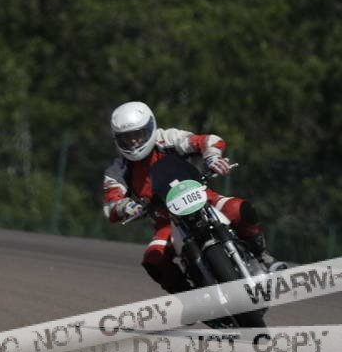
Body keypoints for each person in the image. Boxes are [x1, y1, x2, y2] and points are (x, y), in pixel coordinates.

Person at [102, 101, 276, 297]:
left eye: (138, 134)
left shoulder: (167, 138)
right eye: (126, 137)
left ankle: (262, 256)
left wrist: (212, 157)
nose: (133, 141)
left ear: (150, 128)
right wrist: (124, 207)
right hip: (166, 221)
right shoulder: (118, 169)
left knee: (240, 208)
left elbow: (207, 140)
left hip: (202, 199)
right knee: (153, 260)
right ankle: (188, 298)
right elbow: (111, 203)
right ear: (117, 139)